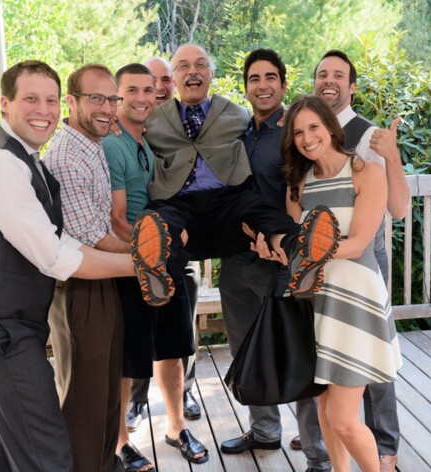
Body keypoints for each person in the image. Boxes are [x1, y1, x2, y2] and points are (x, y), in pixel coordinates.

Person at [0, 60, 170, 472]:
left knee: (13, 437)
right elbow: (56, 256)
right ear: (5, 104)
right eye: (31, 99)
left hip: (15, 318)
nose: (44, 110)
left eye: (49, 101)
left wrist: (139, 261)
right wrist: (142, 267)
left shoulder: (27, 157)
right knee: (47, 447)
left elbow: (60, 240)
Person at [257, 94, 403, 472]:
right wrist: (278, 251)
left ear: (331, 127)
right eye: (299, 132)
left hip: (355, 302)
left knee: (343, 418)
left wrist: (307, 250)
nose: (307, 138)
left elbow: (356, 244)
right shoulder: (299, 184)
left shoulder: (365, 171)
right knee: (324, 405)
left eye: (314, 128)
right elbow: (294, 247)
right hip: (315, 302)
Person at [43, 63, 172, 472]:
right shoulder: (66, 155)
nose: (107, 107)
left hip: (102, 279)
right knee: (84, 398)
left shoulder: (94, 142)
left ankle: (106, 463)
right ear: (72, 101)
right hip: (80, 285)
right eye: (96, 98)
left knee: (104, 393)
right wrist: (148, 263)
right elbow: (93, 239)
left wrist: (149, 259)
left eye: (110, 99)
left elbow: (100, 227)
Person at [290, 50, 409, 472]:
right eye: (322, 73)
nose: (329, 79)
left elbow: (396, 209)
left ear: (351, 85)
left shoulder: (372, 142)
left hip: (358, 277)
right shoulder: (301, 173)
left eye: (338, 74)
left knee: (362, 394)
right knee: (329, 408)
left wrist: (392, 156)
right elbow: (294, 233)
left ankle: (386, 454)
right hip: (317, 292)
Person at [143, 44, 338, 301]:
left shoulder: (238, 114)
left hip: (228, 205)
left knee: (259, 208)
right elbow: (123, 119)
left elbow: (267, 117)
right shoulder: (151, 119)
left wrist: (292, 115)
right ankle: (156, 275)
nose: (193, 71)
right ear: (174, 78)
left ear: (212, 74)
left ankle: (297, 255)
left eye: (201, 65)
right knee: (157, 219)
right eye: (183, 66)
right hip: (180, 206)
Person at [217, 48, 332, 471]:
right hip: (236, 261)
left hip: (283, 261)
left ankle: (318, 456)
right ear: (245, 87)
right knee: (245, 349)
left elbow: (307, 189)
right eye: (253, 78)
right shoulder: (239, 133)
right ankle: (264, 429)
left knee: (296, 354)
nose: (262, 85)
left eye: (270, 77)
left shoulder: (293, 130)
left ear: (284, 85)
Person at [103, 63, 206, 470]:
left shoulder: (143, 143)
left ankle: (176, 427)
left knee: (173, 348)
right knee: (129, 357)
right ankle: (120, 441)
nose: (144, 98)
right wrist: (151, 255)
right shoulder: (112, 146)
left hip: (162, 260)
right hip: (131, 262)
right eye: (133, 90)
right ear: (117, 96)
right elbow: (115, 218)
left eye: (149, 90)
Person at [126, 57, 202, 434]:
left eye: (162, 81)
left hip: (181, 244)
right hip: (141, 244)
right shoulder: (134, 130)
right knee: (140, 323)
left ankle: (184, 392)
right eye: (149, 82)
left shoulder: (186, 120)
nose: (158, 88)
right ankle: (137, 399)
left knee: (181, 327)